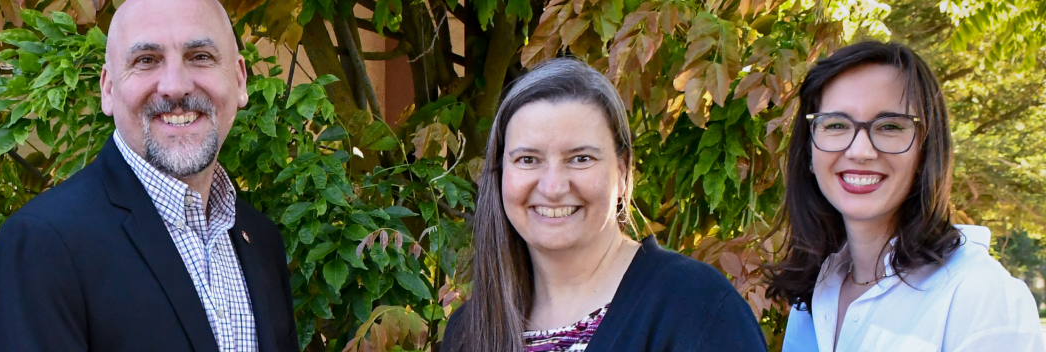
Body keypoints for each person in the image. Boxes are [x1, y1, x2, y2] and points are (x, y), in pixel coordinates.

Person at [0, 0, 297, 350]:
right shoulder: (42, 246)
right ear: (108, 90)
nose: (175, 87)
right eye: (147, 61)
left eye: (200, 56)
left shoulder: (260, 239)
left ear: (239, 79)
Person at [441, 57, 767, 352]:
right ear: (500, 174)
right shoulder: (467, 332)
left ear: (622, 171)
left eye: (581, 158)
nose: (553, 187)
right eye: (528, 159)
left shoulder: (697, 308)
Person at [766, 41, 1043, 352]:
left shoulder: (980, 295)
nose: (860, 151)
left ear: (926, 150)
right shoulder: (818, 292)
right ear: (809, 152)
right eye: (837, 124)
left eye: (889, 126)